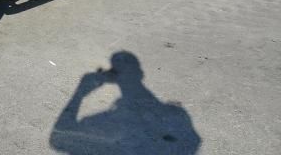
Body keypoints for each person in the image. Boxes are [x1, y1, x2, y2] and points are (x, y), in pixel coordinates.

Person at [50, 51, 201, 154]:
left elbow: (57, 141)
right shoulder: (176, 116)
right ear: (141, 74)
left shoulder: (99, 122)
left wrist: (80, 93)